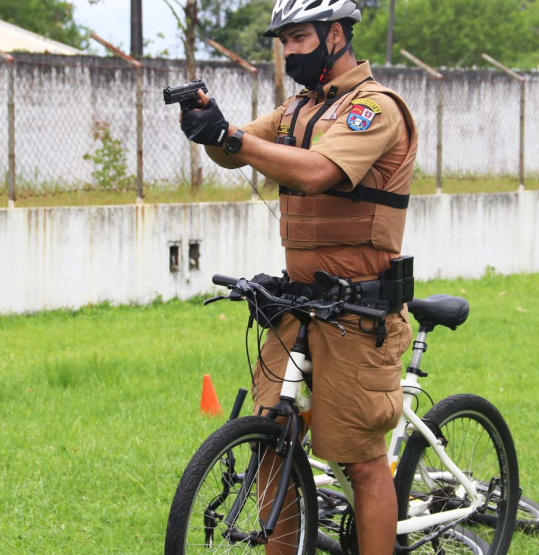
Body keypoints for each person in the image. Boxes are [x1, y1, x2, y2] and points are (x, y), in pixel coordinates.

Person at [178, 1, 417, 552]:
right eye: (283, 41)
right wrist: (211, 125)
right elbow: (233, 154)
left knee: (359, 462)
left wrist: (233, 139)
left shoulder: (374, 109)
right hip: (296, 304)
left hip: (358, 313)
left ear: (336, 35)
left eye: (300, 38)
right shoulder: (296, 110)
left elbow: (317, 173)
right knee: (271, 441)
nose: (289, 52)